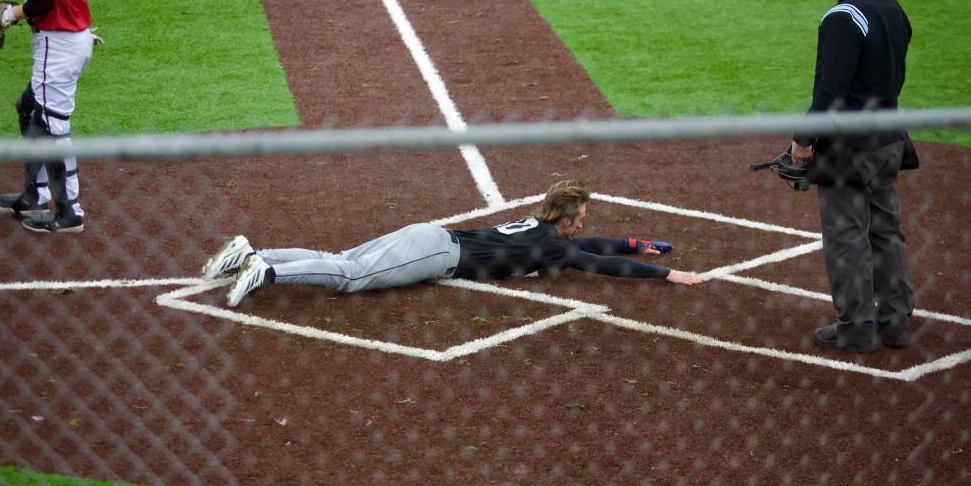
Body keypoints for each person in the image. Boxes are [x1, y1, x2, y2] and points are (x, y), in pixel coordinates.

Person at [201, 179, 703, 307]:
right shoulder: (557, 247)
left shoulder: (542, 228)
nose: (582, 225)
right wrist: (666, 273)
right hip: (435, 253)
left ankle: (254, 253)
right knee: (351, 277)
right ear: (566, 217)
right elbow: (596, 263)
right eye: (581, 218)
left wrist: (635, 242)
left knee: (340, 260)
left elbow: (593, 245)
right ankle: (268, 271)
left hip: (430, 237)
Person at [789, 0, 915, 353]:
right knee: (885, 232)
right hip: (889, 138)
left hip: (850, 150)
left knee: (846, 237)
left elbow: (831, 90)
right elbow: (895, 78)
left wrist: (804, 140)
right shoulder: (894, 10)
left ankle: (857, 329)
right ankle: (894, 323)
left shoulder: (845, 17)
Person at [0, 0, 95, 233]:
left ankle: (69, 211)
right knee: (28, 109)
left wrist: (9, 15)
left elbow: (42, 3)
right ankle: (35, 194)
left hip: (58, 44)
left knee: (52, 126)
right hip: (70, 35)